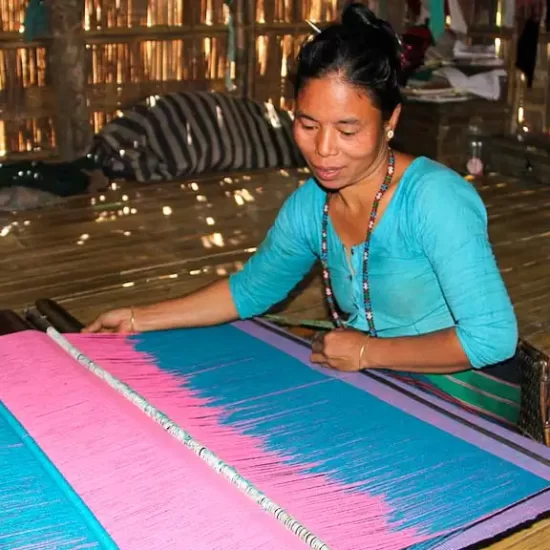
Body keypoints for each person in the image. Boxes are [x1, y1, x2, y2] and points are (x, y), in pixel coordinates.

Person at [85, 4, 518, 380]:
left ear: (390, 122)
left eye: (348, 129)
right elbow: (250, 290)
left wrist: (367, 352)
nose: (324, 150)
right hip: (377, 380)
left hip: (462, 394)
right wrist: (138, 318)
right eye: (308, 125)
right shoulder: (313, 206)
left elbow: (492, 339)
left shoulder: (434, 200)